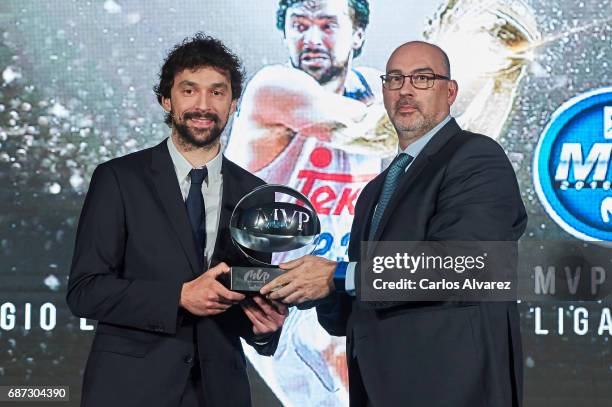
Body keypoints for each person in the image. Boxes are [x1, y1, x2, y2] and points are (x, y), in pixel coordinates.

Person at [262, 41, 528, 406]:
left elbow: (469, 265)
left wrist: (337, 275)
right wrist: (310, 290)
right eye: (395, 79)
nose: (405, 89)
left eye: (422, 78)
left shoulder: (476, 156)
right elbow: (347, 317)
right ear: (383, 92)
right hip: (377, 388)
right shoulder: (376, 188)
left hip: (451, 390)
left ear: (449, 92)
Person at [67, 33, 287, 407]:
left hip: (220, 392)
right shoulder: (118, 179)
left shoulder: (258, 193)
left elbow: (244, 294)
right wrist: (179, 297)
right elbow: (85, 291)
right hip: (129, 391)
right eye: (189, 90)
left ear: (234, 103)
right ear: (166, 100)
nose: (203, 105)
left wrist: (263, 331)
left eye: (218, 92)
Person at [225, 1, 394, 404]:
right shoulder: (274, 87)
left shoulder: (372, 89)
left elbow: (433, 145)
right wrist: (470, 66)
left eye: (327, 25)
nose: (312, 38)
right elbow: (377, 134)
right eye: (299, 25)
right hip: (269, 294)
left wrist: (500, 75)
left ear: (358, 34)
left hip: (339, 285)